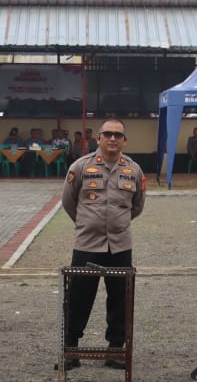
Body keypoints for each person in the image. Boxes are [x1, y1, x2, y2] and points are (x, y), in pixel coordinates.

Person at [60, 119, 146, 368]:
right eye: (107, 134)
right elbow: (68, 201)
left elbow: (137, 205)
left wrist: (117, 223)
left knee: (120, 297)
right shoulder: (81, 166)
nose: (112, 139)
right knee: (78, 297)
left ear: (124, 141)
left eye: (118, 135)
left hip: (120, 245)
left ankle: (115, 350)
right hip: (87, 244)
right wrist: (88, 223)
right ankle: (71, 351)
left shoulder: (134, 170)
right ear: (98, 138)